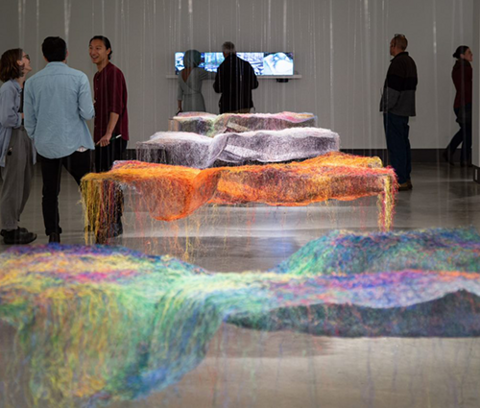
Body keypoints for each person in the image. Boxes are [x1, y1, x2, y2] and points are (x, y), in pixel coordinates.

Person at [24, 37, 95, 243]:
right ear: (67, 54)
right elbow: (87, 113)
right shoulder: (79, 77)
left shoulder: (33, 82)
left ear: (44, 56)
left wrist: (37, 138)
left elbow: (29, 120)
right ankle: (98, 225)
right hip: (77, 143)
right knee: (88, 187)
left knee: (50, 192)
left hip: (47, 145)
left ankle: (53, 233)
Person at [89, 35, 128, 239]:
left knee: (112, 181)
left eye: (98, 48)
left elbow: (116, 107)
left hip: (113, 137)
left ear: (108, 51)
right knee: (105, 180)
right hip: (102, 137)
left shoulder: (113, 74)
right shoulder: (98, 75)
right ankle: (106, 219)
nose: (93, 52)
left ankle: (115, 221)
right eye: (91, 48)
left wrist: (108, 133)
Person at [0, 48, 36, 244]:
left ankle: (12, 222)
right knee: (13, 185)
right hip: (14, 138)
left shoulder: (24, 87)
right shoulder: (9, 88)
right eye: (24, 57)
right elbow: (6, 118)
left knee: (24, 183)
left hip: (24, 136)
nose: (27, 59)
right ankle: (9, 227)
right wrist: (25, 117)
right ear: (16, 63)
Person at [380, 34, 418, 191]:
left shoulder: (397, 63)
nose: (390, 47)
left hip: (395, 111)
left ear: (396, 46)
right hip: (405, 110)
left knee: (395, 146)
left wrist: (386, 105)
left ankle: (399, 180)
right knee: (403, 144)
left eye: (391, 44)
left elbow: (393, 90)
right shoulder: (410, 62)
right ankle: (406, 178)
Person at [443, 45, 473, 167]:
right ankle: (462, 158)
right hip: (465, 104)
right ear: (462, 55)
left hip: (461, 103)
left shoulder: (459, 67)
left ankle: (454, 154)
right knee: (468, 132)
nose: (471, 55)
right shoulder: (464, 68)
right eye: (469, 52)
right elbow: (468, 87)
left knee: (465, 131)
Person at [213, 41, 259, 114]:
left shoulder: (222, 67)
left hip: (228, 106)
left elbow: (218, 89)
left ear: (224, 53)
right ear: (235, 52)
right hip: (245, 104)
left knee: (229, 125)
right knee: (244, 125)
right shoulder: (246, 65)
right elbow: (255, 84)